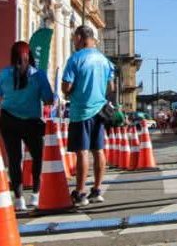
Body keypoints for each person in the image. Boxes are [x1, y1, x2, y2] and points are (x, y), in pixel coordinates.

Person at [62, 25, 115, 207]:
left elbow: (66, 87)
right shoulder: (105, 60)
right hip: (100, 110)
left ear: (79, 37)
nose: (73, 42)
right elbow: (111, 87)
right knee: (98, 150)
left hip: (81, 111)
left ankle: (80, 192)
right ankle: (97, 190)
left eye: (74, 39)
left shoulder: (75, 59)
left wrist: (73, 91)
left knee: (82, 152)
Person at [0, 41, 53, 211]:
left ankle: (18, 199)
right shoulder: (38, 75)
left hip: (8, 120)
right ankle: (35, 195)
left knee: (14, 159)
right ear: (29, 56)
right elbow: (48, 99)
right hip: (32, 122)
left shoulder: (4, 74)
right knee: (38, 157)